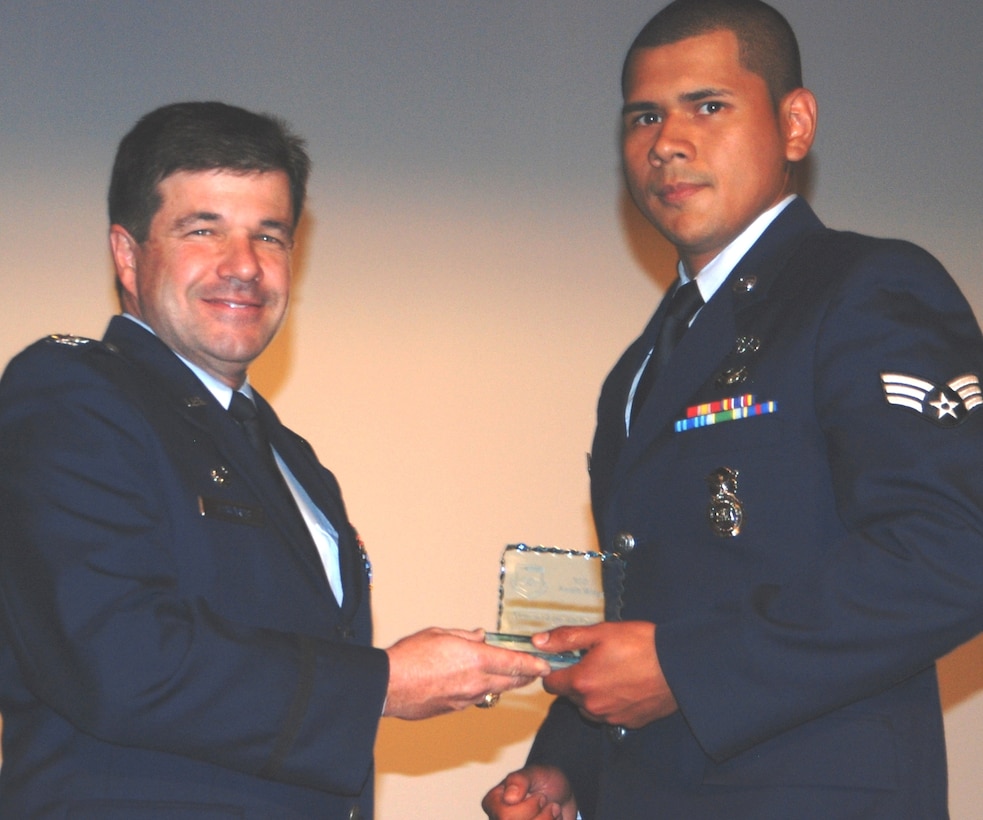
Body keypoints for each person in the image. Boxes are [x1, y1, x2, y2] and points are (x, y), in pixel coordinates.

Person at [482, 1, 983, 817]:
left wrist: (683, 668)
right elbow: (648, 602)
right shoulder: (644, 363)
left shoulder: (864, 289)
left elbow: (953, 550)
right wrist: (569, 760)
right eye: (644, 116)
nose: (667, 142)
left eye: (707, 106)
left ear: (794, 124)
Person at [0, 101, 550, 819]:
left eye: (270, 235)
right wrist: (381, 684)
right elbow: (118, 658)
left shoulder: (292, 460)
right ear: (128, 255)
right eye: (204, 230)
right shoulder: (73, 391)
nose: (245, 267)